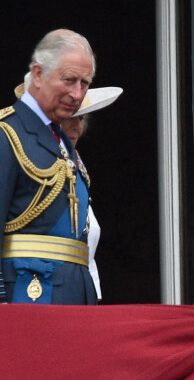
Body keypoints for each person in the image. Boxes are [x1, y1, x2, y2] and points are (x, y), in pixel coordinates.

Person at [0, 29, 96, 304]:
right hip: (27, 296)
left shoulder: (61, 141)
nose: (78, 94)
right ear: (39, 74)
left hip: (73, 297)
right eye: (69, 80)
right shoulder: (7, 134)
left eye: (84, 83)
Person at [14, 80, 123, 301]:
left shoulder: (78, 175)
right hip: (35, 296)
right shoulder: (26, 167)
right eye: (68, 117)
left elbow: (86, 257)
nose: (76, 125)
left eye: (80, 117)